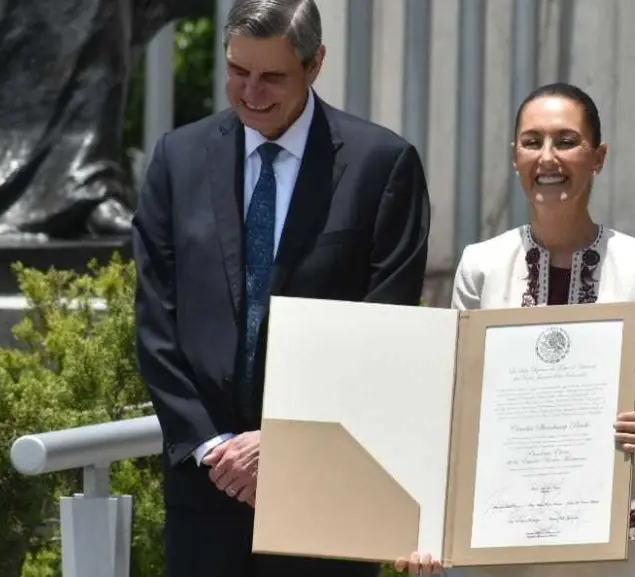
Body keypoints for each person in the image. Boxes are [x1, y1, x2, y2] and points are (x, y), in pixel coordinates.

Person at [131, 0, 431, 575]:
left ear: (315, 64)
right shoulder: (178, 158)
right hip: (206, 486)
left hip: (326, 488)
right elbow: (155, 318)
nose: (251, 92)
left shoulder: (382, 166)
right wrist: (212, 446)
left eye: (272, 77)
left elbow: (385, 332)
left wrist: (283, 443)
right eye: (237, 72)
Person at [393, 83, 635, 577]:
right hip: (496, 532)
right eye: (532, 142)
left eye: (567, 141)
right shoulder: (481, 266)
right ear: (515, 156)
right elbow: (451, 407)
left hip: (610, 537)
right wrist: (429, 529)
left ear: (598, 157)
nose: (548, 157)